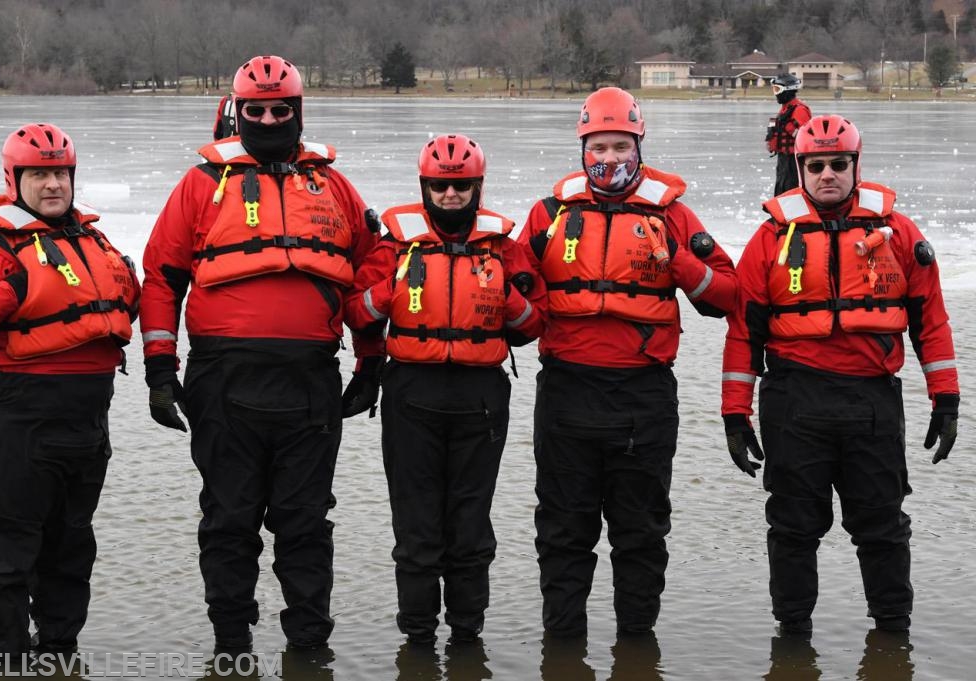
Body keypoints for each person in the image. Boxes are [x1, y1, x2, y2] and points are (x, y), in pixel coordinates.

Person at [139, 55, 383, 650]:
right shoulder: (201, 185)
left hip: (309, 384)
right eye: (256, 110)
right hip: (224, 382)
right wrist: (159, 371)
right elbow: (161, 278)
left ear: (298, 112)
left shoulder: (336, 186)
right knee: (229, 519)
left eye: (280, 110)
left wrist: (370, 364)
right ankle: (231, 645)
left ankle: (308, 644)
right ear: (237, 112)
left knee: (305, 522)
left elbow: (369, 272)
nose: (269, 119)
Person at [722, 114, 960, 635]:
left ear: (856, 166)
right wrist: (735, 417)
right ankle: (792, 640)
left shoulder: (898, 233)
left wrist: (946, 401)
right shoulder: (770, 239)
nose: (827, 175)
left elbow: (931, 321)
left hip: (870, 401)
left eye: (838, 164)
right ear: (800, 169)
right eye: (815, 165)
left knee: (883, 528)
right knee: (791, 529)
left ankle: (893, 633)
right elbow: (743, 334)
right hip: (793, 402)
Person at [517, 87, 738, 637]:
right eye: (599, 146)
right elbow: (517, 291)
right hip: (567, 394)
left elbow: (727, 297)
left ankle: (636, 643)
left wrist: (679, 260)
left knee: (640, 534)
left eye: (621, 146)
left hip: (643, 399)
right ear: (582, 148)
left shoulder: (674, 215)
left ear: (640, 146)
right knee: (563, 532)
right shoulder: (548, 216)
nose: (609, 158)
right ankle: (562, 650)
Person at [345, 134, 546, 644]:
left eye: (461, 186)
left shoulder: (504, 245)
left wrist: (507, 300)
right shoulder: (394, 243)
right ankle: (416, 637)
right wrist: (390, 293)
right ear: (425, 186)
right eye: (441, 186)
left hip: (480, 397)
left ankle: (466, 633)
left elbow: (533, 324)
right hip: (412, 394)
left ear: (477, 187)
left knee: (470, 523)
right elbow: (354, 311)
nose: (451, 195)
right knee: (416, 526)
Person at [0, 123, 139, 659]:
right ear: (14, 179)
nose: (53, 184)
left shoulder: (92, 240)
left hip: (83, 419)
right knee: (10, 553)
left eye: (61, 172)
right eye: (40, 174)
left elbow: (124, 303)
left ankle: (59, 655)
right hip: (8, 416)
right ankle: (6, 663)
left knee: (70, 546)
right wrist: (1, 299)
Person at [766, 73, 812, 196]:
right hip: (783, 159)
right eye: (774, 89)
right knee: (781, 190)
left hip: (794, 161)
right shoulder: (784, 109)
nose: (776, 94)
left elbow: (805, 138)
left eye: (778, 90)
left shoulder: (799, 110)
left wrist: (789, 127)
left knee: (792, 191)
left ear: (787, 90)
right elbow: (775, 128)